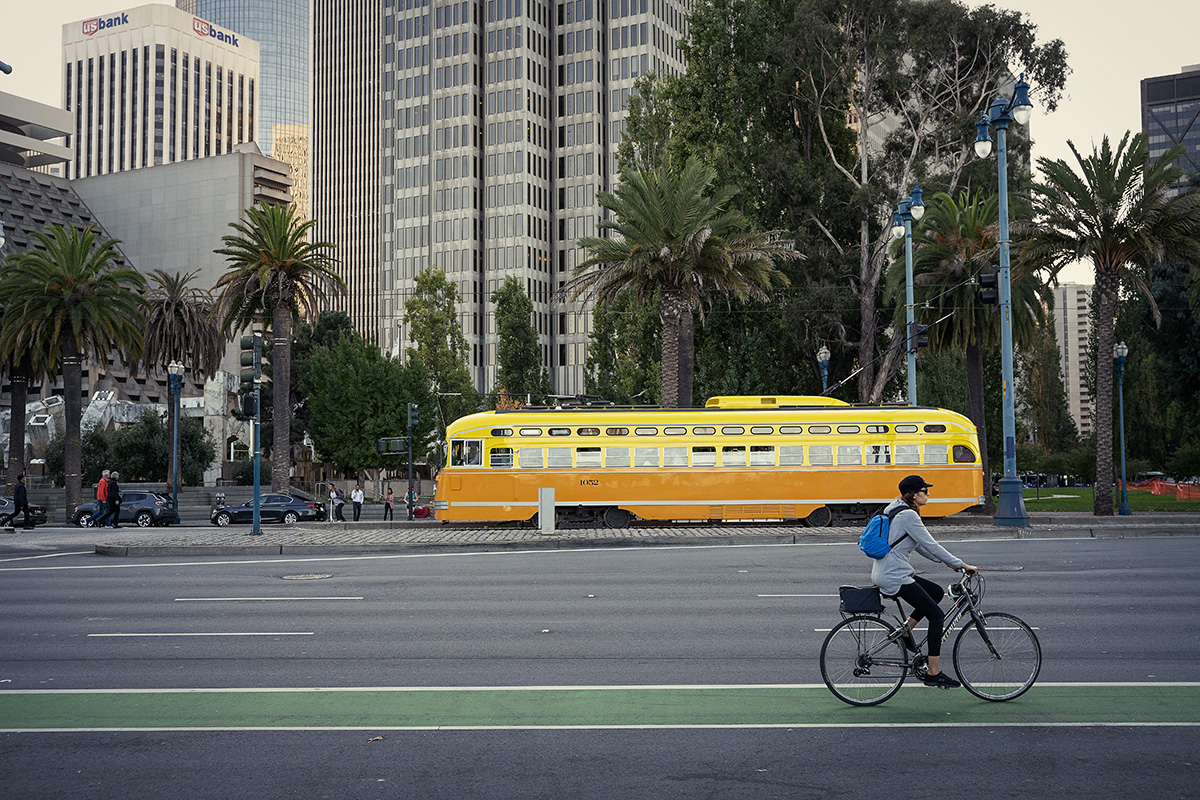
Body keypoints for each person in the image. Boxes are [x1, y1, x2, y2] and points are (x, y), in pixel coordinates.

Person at [871, 474, 978, 689]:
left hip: (889, 571)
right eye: (925, 491)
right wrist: (961, 564)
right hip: (894, 575)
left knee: (936, 592)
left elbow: (919, 545)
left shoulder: (895, 509)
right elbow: (931, 544)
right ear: (914, 495)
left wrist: (947, 563)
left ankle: (904, 631)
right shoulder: (908, 516)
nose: (928, 494)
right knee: (936, 616)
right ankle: (933, 672)